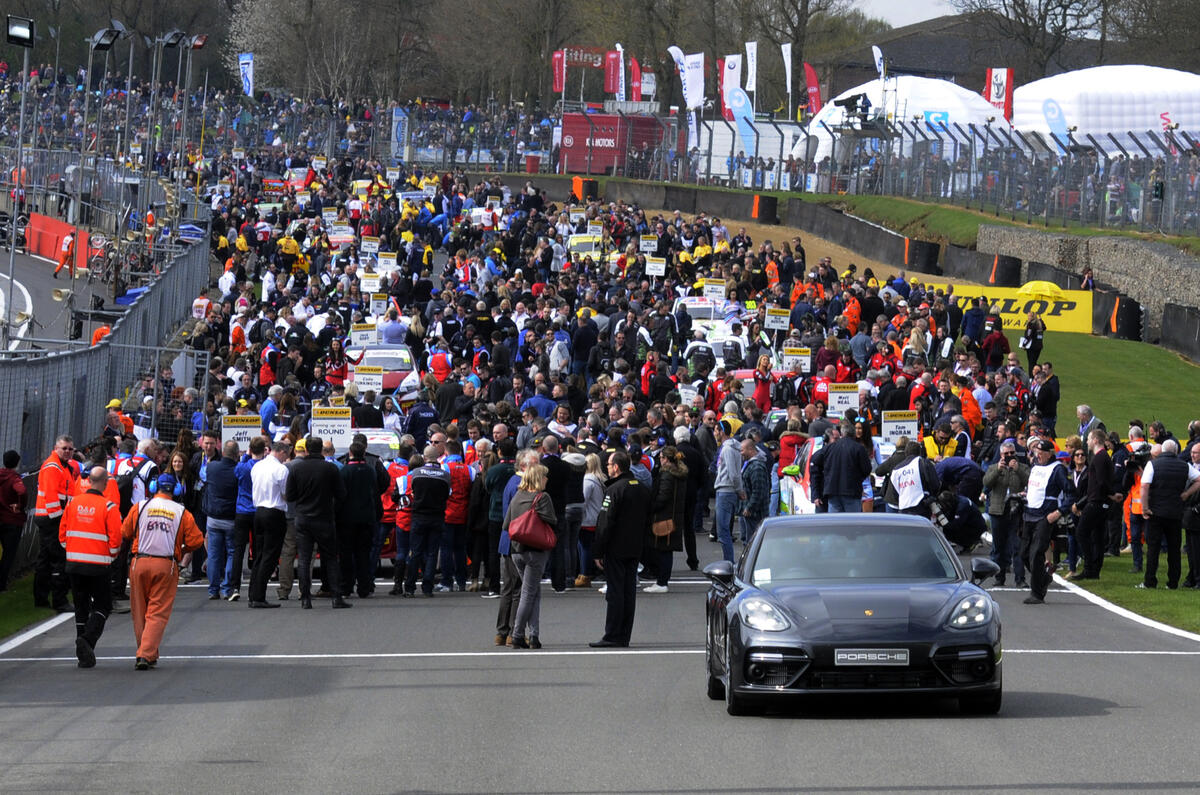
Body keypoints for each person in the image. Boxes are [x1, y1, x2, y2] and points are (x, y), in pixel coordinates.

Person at [120, 473, 205, 669]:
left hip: (139, 562)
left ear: (153, 487)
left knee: (140, 610)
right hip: (166, 564)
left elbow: (125, 532)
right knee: (157, 612)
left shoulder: (140, 507)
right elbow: (196, 541)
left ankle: (146, 651)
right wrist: (181, 550)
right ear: (176, 490)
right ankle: (145, 653)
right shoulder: (182, 512)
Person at [59, 466, 122, 668]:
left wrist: (71, 551)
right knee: (103, 605)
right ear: (105, 483)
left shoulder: (73, 502)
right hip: (98, 565)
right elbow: (115, 539)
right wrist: (111, 557)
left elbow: (62, 534)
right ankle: (87, 640)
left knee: (81, 605)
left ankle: (82, 650)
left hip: (74, 564)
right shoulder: (109, 507)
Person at [590, 451, 651, 648]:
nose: (607, 467)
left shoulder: (615, 490)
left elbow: (605, 522)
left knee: (616, 592)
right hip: (635, 546)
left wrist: (598, 550)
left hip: (616, 547)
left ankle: (612, 634)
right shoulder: (641, 487)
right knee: (628, 591)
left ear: (616, 467)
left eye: (609, 464)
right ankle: (624, 634)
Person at [285, 435, 350, 609]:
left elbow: (290, 496)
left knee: (304, 560)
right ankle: (336, 596)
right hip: (324, 517)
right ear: (321, 449)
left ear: (306, 449)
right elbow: (342, 494)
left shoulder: (296, 469)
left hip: (303, 517)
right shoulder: (330, 469)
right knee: (330, 558)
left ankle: (305, 598)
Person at [503, 462, 557, 649]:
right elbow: (552, 519)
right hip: (536, 549)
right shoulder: (542, 497)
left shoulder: (517, 496)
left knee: (532, 592)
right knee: (529, 593)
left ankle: (534, 635)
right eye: (544, 476)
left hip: (517, 549)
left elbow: (506, 523)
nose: (547, 479)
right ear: (538, 478)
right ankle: (518, 634)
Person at [1021, 439, 1074, 605]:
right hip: (1029, 514)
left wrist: (1059, 512)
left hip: (1045, 516)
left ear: (1050, 453)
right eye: (1037, 451)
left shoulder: (1057, 469)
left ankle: (1037, 593)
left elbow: (1071, 492)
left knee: (1037, 553)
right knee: (1023, 553)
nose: (1038, 454)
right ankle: (1043, 578)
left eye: (1042, 452)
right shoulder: (1035, 467)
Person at [1138, 439, 1196, 590]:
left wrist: (1144, 507)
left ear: (1162, 451)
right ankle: (1173, 582)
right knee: (1174, 549)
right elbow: (1198, 480)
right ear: (1176, 451)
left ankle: (1150, 581)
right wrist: (1186, 493)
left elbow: (1144, 486)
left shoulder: (1153, 465)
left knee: (1153, 548)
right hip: (1175, 512)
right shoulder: (1185, 465)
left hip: (1155, 512)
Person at [34, 435, 76, 612]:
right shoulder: (54, 467)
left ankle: (41, 598)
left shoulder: (62, 466)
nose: (67, 451)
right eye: (64, 448)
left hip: (49, 518)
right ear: (56, 448)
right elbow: (52, 498)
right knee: (59, 559)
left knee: (45, 559)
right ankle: (59, 601)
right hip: (52, 519)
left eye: (69, 449)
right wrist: (61, 521)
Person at [337, 440, 382, 599]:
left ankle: (346, 586)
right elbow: (376, 494)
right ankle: (364, 586)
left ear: (350, 453)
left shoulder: (344, 471)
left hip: (347, 519)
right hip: (366, 518)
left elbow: (340, 496)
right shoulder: (370, 471)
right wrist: (377, 514)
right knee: (363, 554)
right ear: (364, 453)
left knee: (346, 554)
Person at [248, 441, 290, 607]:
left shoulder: (257, 466)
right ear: (281, 452)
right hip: (274, 512)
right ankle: (259, 595)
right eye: (286, 454)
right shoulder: (281, 469)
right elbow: (286, 493)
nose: (286, 458)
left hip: (258, 511)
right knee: (270, 555)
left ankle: (253, 593)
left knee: (259, 553)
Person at [982, 440, 1029, 587]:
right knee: (998, 546)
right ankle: (999, 577)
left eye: (1012, 453)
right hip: (997, 511)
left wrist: (1017, 469)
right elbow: (986, 483)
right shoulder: (993, 467)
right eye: (1006, 454)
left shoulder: (1023, 467)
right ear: (1001, 455)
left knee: (1017, 546)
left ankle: (1020, 579)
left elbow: (1029, 480)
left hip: (1016, 511)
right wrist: (997, 469)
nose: (1009, 456)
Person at [1070, 429, 1115, 581]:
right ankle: (1094, 570)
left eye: (1089, 439)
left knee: (1082, 532)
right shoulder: (1102, 457)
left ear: (1095, 440)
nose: (1087, 442)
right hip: (1099, 501)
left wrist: (1111, 494)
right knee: (1097, 536)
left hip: (1097, 502)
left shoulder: (1100, 458)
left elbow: (1102, 482)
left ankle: (1089, 567)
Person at [406, 448, 452, 597]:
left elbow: (413, 491)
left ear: (424, 458)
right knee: (432, 553)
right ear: (438, 457)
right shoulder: (445, 475)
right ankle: (427, 588)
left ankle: (410, 587)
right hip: (436, 516)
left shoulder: (416, 473)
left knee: (415, 552)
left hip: (419, 516)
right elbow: (447, 495)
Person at [201, 440, 239, 601]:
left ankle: (213, 589)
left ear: (223, 452)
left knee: (214, 554)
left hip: (214, 517)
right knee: (231, 553)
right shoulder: (238, 470)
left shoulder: (211, 467)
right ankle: (227, 588)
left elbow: (202, 476)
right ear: (236, 454)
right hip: (231, 517)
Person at [645, 446, 687, 593]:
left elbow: (663, 497)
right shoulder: (679, 474)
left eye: (662, 457)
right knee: (665, 550)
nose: (660, 460)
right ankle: (662, 580)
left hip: (663, 516)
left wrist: (651, 508)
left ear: (667, 459)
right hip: (673, 515)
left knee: (662, 549)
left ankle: (662, 582)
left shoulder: (667, 475)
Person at [810, 421, 873, 513]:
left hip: (832, 492)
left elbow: (814, 461)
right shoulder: (859, 448)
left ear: (842, 434)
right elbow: (867, 469)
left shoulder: (830, 448)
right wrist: (858, 479)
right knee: (851, 522)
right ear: (854, 434)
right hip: (852, 491)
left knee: (835, 524)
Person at [712, 420, 745, 563]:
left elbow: (733, 473)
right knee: (723, 530)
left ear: (722, 432)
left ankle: (729, 563)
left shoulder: (728, 449)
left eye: (716, 430)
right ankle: (728, 561)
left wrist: (739, 489)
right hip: (724, 490)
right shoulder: (728, 448)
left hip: (726, 491)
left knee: (723, 531)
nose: (714, 434)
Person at [0, 450, 27, 592]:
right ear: (17, 463)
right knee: (8, 554)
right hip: (12, 520)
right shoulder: (14, 478)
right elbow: (21, 491)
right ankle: (2, 584)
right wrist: (20, 505)